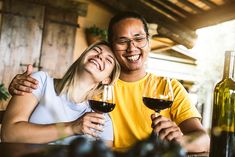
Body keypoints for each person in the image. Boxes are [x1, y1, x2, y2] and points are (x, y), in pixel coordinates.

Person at [7, 12, 209, 152]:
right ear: (113, 45)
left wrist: (179, 142)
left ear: (148, 41)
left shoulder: (170, 88)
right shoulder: (99, 93)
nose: (132, 48)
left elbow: (203, 140)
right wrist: (23, 84)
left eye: (138, 38)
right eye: (122, 41)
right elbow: (63, 93)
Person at [1, 41, 120, 147]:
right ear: (83, 56)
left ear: (107, 80)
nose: (99, 56)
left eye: (108, 60)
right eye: (96, 50)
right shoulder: (39, 82)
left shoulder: (102, 120)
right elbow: (8, 134)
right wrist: (71, 127)